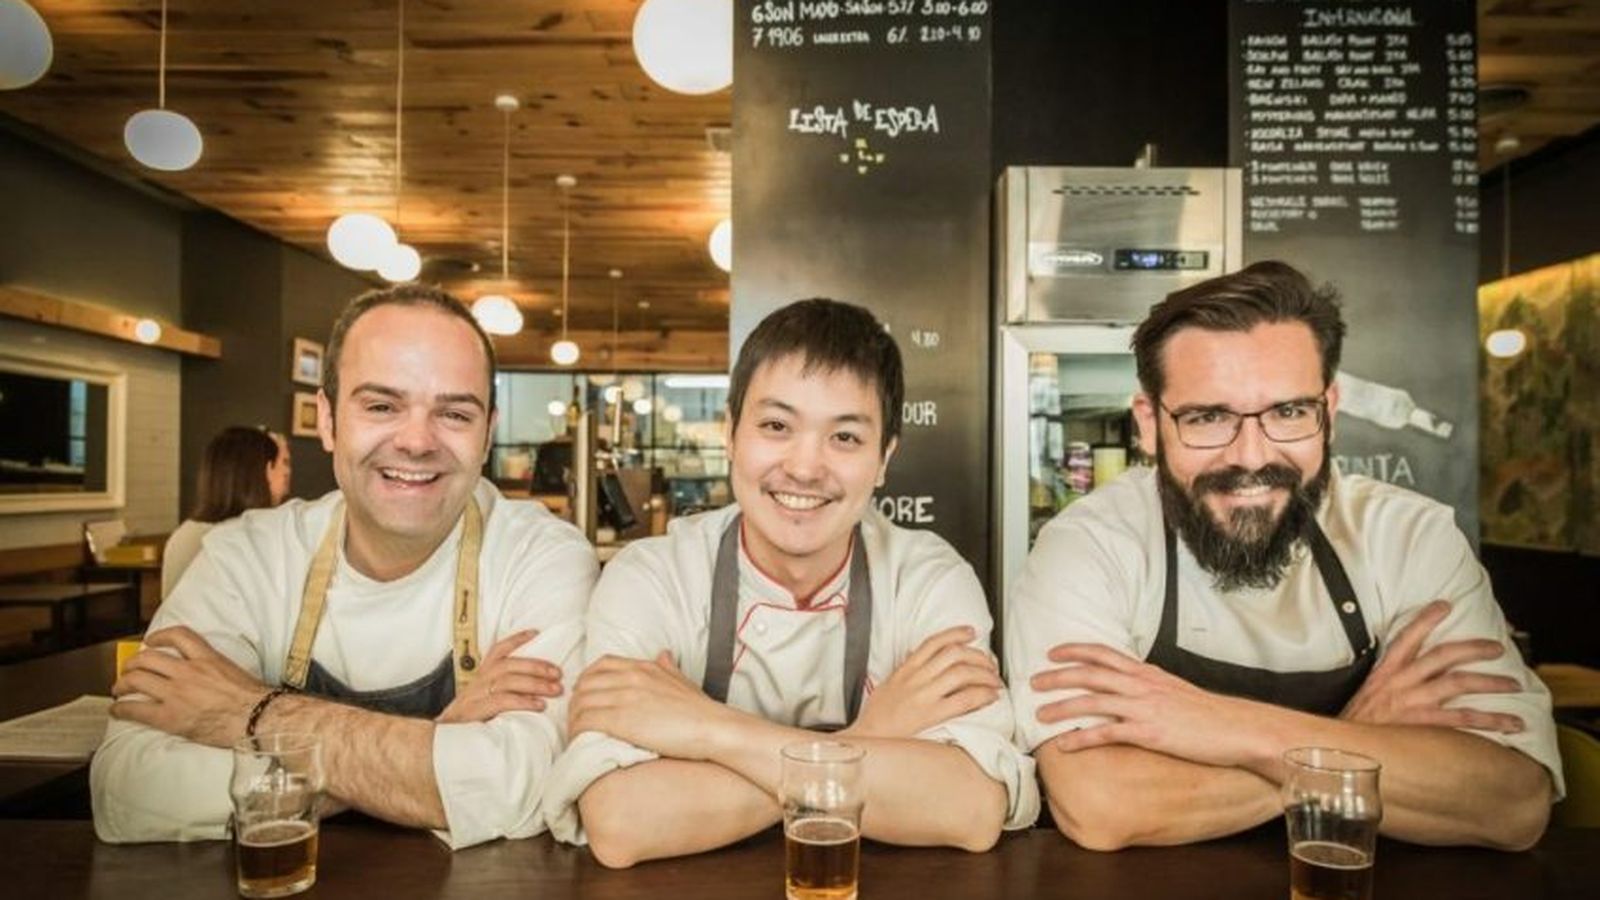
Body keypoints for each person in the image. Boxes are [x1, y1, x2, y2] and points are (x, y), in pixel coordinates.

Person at [1006, 261, 1561, 852]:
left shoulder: (1410, 539)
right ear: (1149, 424)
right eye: (1209, 417)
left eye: (1289, 412)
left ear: (1330, 410)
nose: (1251, 456)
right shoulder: (1092, 547)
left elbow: (1510, 802)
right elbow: (1103, 807)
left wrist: (1228, 729)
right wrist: (1357, 736)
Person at [92, 285, 598, 849]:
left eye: (454, 413)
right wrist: (437, 745)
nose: (416, 441)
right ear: (329, 420)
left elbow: (525, 781)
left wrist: (246, 713)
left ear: (486, 436)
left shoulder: (540, 555)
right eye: (382, 406)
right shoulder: (247, 556)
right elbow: (128, 787)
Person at [543, 299, 1038, 867]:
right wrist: (874, 737)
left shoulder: (927, 578)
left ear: (884, 460)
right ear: (730, 434)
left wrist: (707, 731)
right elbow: (623, 821)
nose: (805, 467)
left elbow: (967, 809)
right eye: (777, 426)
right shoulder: (654, 576)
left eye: (845, 438)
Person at [161, 426, 292, 598]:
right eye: (283, 463)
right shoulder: (242, 540)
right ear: (267, 470)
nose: (287, 472)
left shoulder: (183, 535)